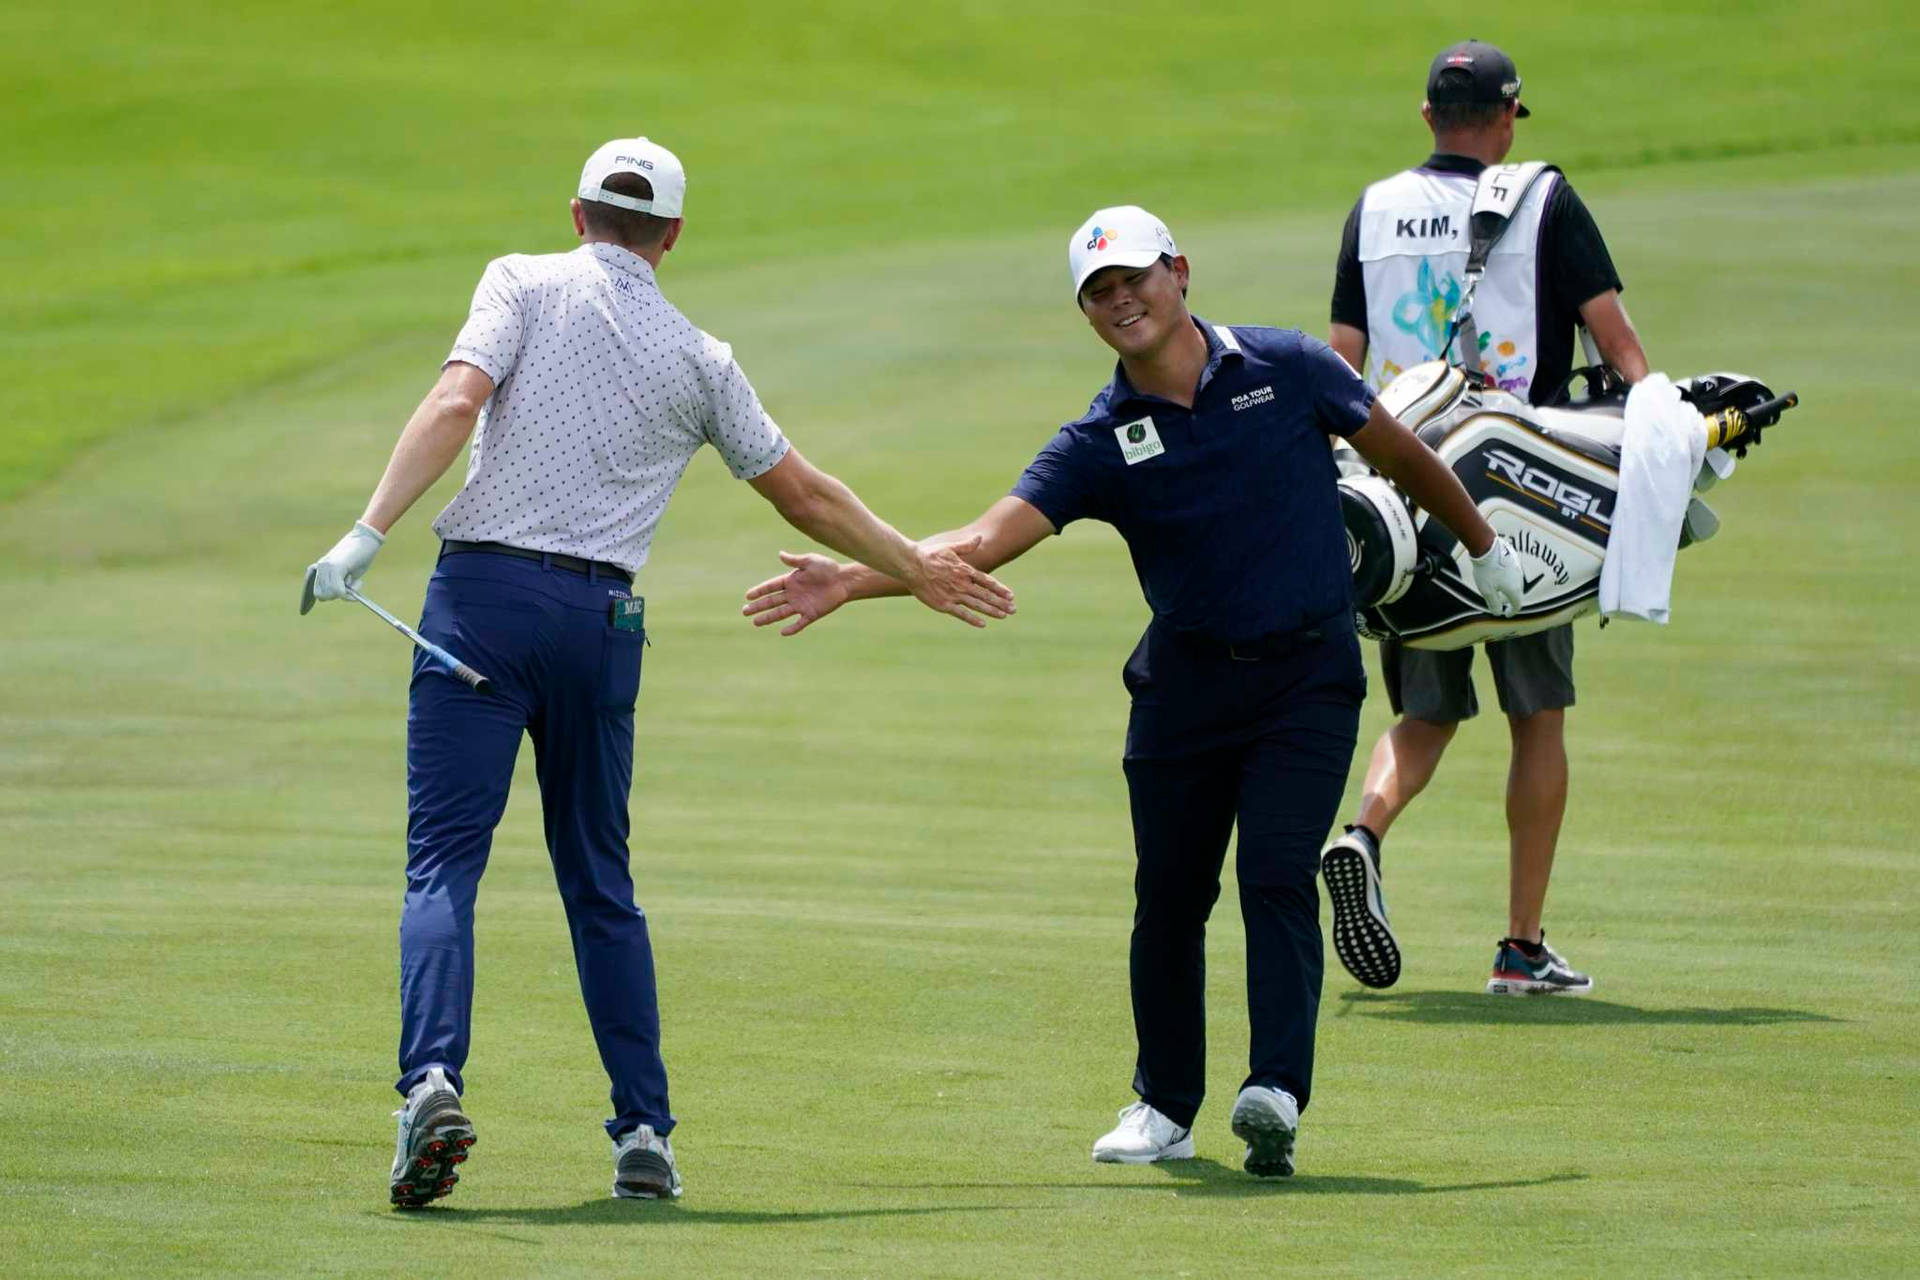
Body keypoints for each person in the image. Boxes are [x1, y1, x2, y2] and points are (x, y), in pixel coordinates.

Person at [301, 136, 1014, 1208]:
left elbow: (456, 403)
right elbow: (804, 492)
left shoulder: (519, 281)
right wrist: (914, 564)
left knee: (444, 863)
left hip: (481, 607)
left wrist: (366, 529)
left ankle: (431, 1084)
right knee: (600, 881)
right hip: (602, 623)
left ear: (578, 211)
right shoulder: (700, 356)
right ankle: (643, 1131)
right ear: (672, 236)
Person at [739, 206, 1524, 1175]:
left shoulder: (1288, 367)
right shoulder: (1102, 437)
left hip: (1306, 679)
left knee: (1275, 875)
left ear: (1180, 273)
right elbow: (984, 542)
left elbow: (1403, 454)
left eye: (1135, 280)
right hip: (1184, 688)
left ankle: (1274, 1089)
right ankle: (1164, 1106)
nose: (1122, 302)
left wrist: (1483, 549)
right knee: (1170, 897)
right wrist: (854, 579)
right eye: (1099, 293)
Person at [1319, 39, 1652, 997]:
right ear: (1507, 120)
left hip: (1403, 502)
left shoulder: (1372, 209)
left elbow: (1342, 363)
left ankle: (1363, 831)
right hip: (1525, 505)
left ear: (1427, 116)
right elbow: (1622, 350)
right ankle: (1520, 946)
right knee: (1537, 716)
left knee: (1423, 712)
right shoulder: (1544, 198)